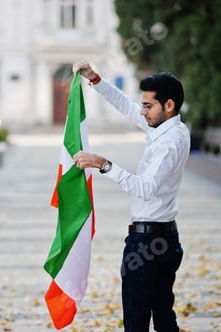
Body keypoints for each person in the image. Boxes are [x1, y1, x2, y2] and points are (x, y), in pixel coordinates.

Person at [72, 61, 190, 332]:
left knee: (137, 321)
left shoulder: (170, 141)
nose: (142, 110)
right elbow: (126, 106)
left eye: (148, 105)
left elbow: (147, 189)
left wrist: (104, 165)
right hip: (163, 237)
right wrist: (96, 79)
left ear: (168, 106)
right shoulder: (166, 129)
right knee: (163, 317)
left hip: (148, 243)